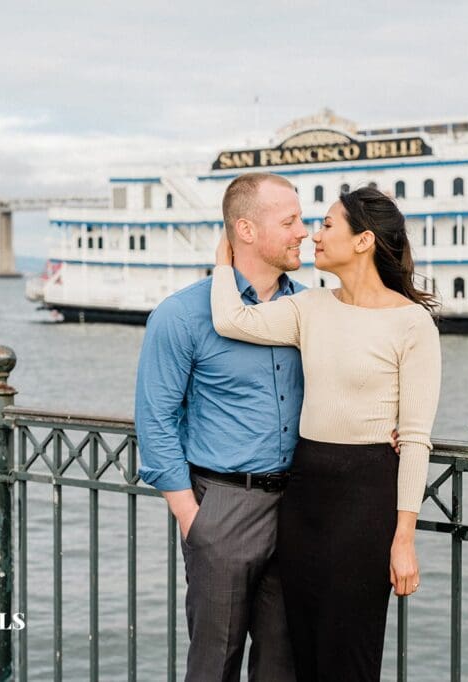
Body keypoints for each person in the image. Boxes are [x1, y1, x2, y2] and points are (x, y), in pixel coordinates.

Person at [209, 186, 442, 681]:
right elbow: (231, 319)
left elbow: (417, 438)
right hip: (306, 495)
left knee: (349, 659)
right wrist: (224, 258)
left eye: (328, 226)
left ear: (363, 241)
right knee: (305, 654)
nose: (314, 236)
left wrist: (404, 539)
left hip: (366, 500)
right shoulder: (310, 307)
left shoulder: (412, 324)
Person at [135, 172, 308, 682]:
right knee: (215, 665)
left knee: (284, 666)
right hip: (222, 508)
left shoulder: (311, 310)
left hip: (300, 509)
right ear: (246, 230)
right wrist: (194, 520)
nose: (303, 231)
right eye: (290, 220)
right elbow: (156, 421)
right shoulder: (181, 316)